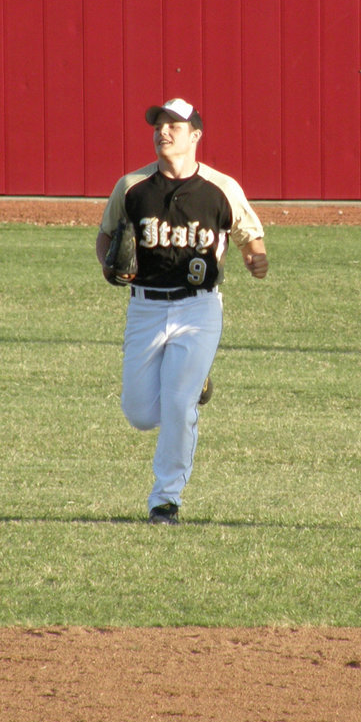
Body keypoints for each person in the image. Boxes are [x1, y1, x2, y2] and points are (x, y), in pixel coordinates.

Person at [97, 98, 268, 525]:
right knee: (139, 414)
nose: (163, 131)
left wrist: (256, 257)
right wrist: (107, 263)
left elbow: (250, 234)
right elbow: (106, 236)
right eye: (159, 125)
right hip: (145, 309)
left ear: (195, 136)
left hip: (199, 308)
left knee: (177, 403)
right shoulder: (132, 187)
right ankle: (197, 382)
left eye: (174, 125)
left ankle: (165, 500)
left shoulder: (221, 188)